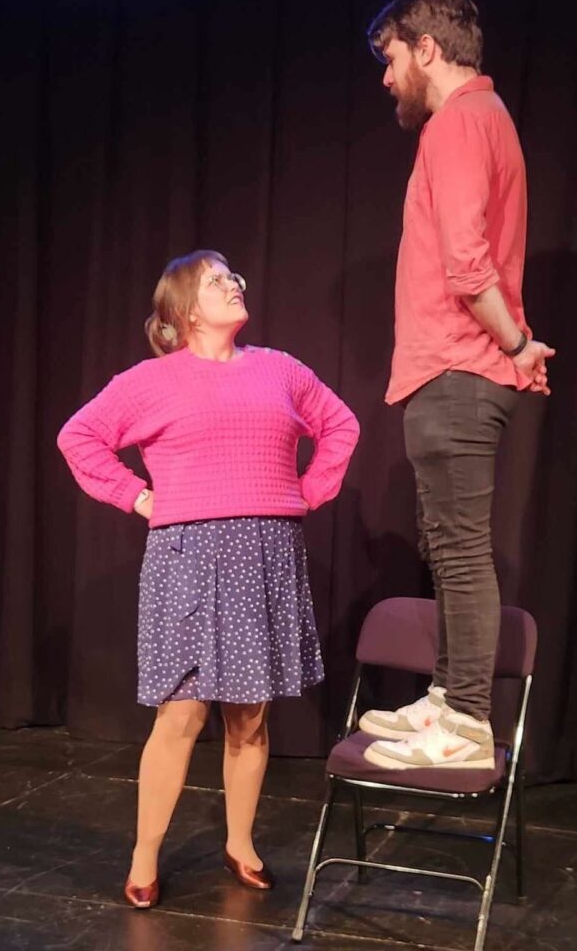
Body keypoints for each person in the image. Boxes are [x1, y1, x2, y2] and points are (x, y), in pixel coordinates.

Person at [57, 250, 359, 906]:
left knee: (249, 717)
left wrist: (309, 490)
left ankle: (239, 843)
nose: (233, 285)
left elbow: (339, 423)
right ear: (185, 308)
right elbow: (79, 436)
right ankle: (144, 855)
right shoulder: (149, 381)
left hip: (266, 550)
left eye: (234, 277)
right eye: (216, 279)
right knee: (182, 714)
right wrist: (136, 496)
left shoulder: (280, 370)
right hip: (189, 555)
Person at [358, 0, 554, 770]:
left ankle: (467, 719)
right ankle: (449, 697)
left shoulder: (458, 121)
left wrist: (512, 341)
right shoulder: (482, 119)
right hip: (452, 371)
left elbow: (467, 261)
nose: (386, 77)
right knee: (448, 547)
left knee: (462, 551)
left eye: (390, 57)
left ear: (426, 49)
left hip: (457, 369)